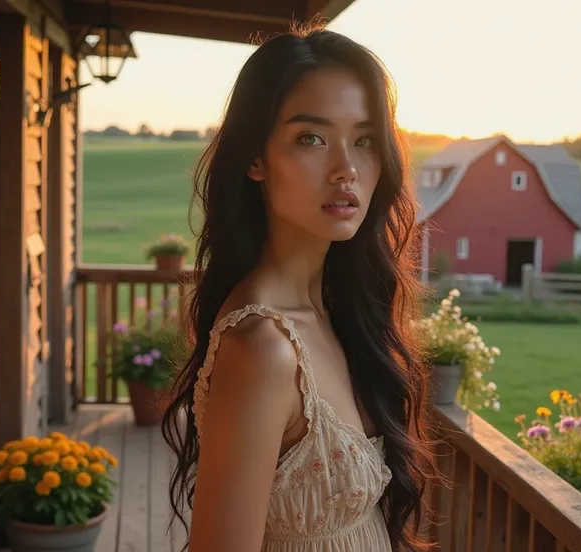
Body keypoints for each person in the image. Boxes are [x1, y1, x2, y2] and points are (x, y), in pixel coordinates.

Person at [162, 22, 436, 552]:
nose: (346, 169)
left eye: (364, 140)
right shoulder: (262, 348)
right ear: (256, 159)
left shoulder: (339, 311)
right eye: (311, 138)